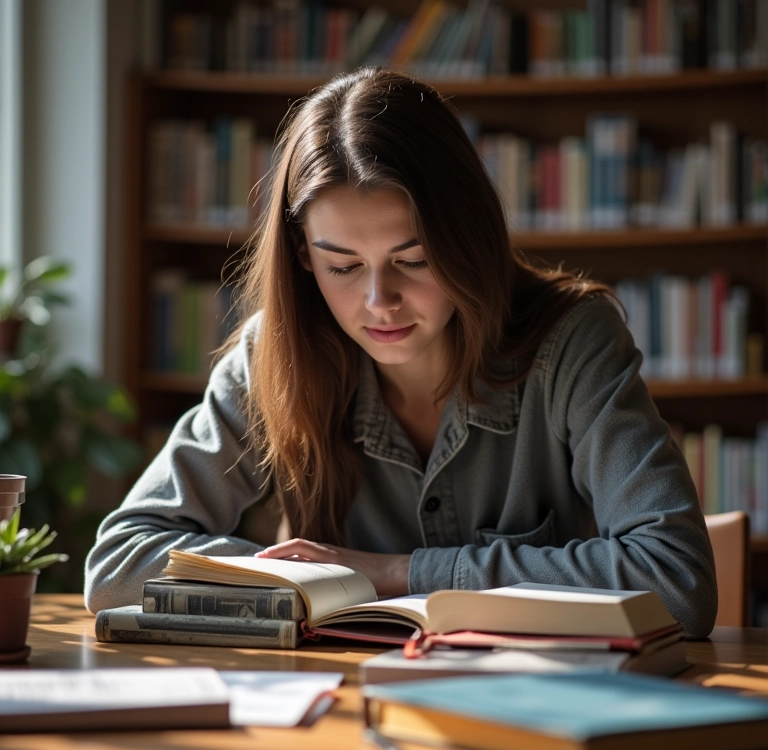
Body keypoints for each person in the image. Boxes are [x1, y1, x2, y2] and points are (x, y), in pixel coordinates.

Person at [85, 67, 717, 638]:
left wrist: (388, 574)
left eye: (412, 260)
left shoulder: (573, 342)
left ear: (465, 239)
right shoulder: (272, 358)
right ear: (304, 257)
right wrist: (293, 577)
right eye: (343, 266)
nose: (378, 300)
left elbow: (676, 583)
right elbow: (117, 564)